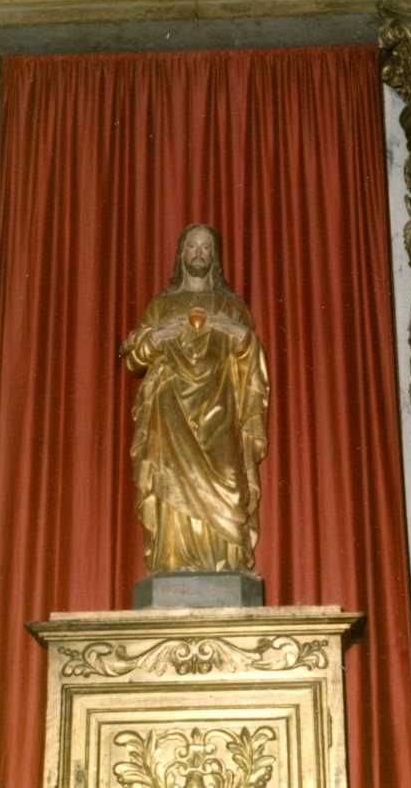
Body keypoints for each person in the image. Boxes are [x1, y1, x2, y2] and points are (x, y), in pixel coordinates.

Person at [121, 224, 269, 573]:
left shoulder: (231, 306)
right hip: (170, 410)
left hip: (220, 409)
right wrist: (157, 337)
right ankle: (173, 562)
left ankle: (226, 564)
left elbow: (250, 361)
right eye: (193, 246)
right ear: (181, 254)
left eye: (206, 247)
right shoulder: (161, 305)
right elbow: (133, 359)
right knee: (172, 484)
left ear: (214, 256)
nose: (199, 253)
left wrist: (241, 337)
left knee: (229, 481)